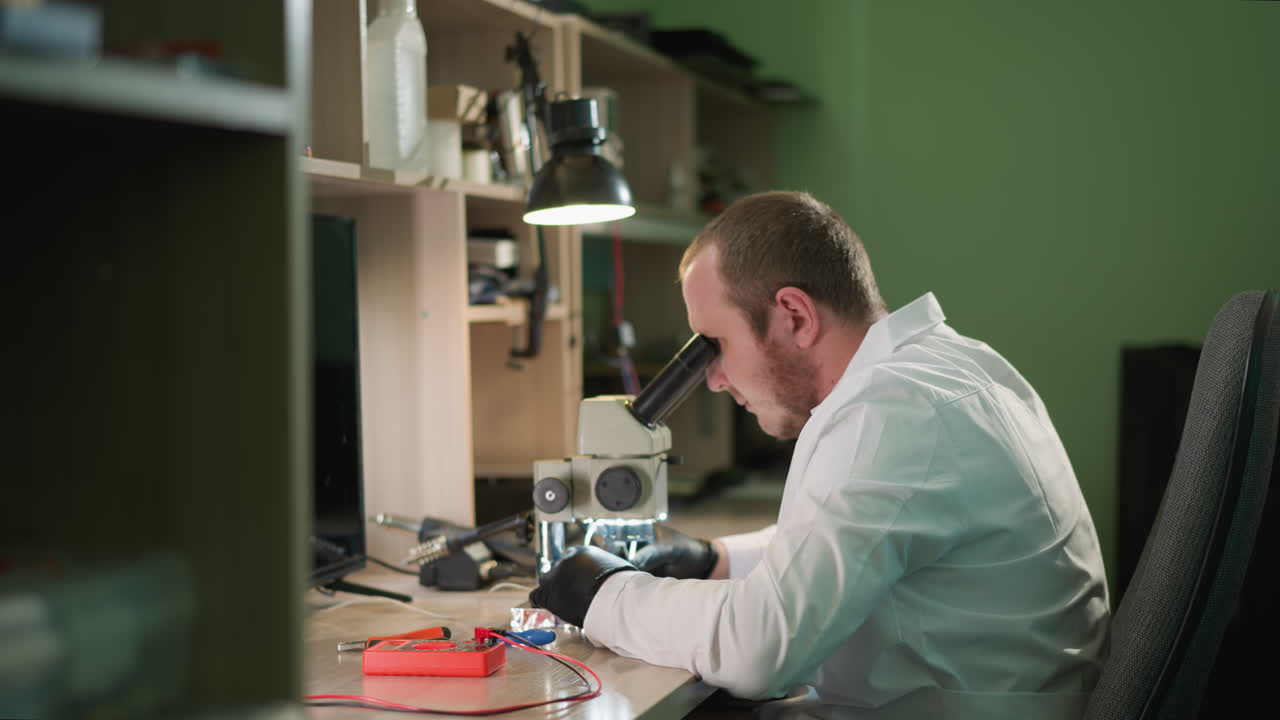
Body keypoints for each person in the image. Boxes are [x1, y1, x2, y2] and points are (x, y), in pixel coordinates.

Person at [530, 191, 1110, 719]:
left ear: (795, 316)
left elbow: (761, 649)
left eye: (717, 345)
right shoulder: (949, 367)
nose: (714, 379)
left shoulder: (889, 413)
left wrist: (605, 595)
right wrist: (714, 559)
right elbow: (853, 542)